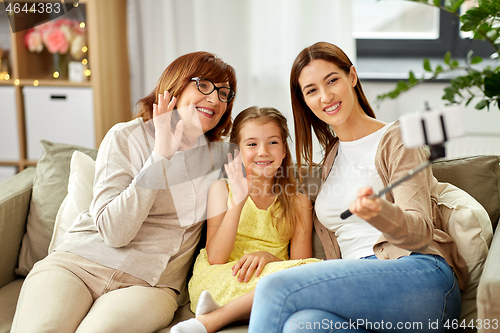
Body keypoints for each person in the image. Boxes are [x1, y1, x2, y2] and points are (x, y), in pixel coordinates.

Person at [248, 42, 468, 333]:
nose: (325, 96)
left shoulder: (398, 139)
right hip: (364, 292)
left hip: (419, 277)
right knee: (301, 326)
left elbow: (420, 233)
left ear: (352, 76)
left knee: (274, 287)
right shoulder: (328, 161)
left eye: (332, 80)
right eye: (311, 90)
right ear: (304, 101)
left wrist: (381, 214)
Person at [12, 51, 237, 333]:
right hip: (76, 264)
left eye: (225, 93)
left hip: (149, 284)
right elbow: (114, 232)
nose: (215, 99)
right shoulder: (124, 137)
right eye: (204, 85)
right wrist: (159, 159)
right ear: (176, 85)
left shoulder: (219, 159)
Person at [171, 107, 321, 333]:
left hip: (273, 277)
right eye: (252, 144)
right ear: (236, 153)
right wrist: (238, 202)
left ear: (283, 152)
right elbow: (216, 257)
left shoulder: (299, 202)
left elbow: (300, 266)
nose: (263, 151)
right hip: (224, 276)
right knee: (291, 287)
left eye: (272, 143)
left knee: (313, 274)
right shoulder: (221, 190)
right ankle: (222, 313)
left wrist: (267, 257)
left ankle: (222, 313)